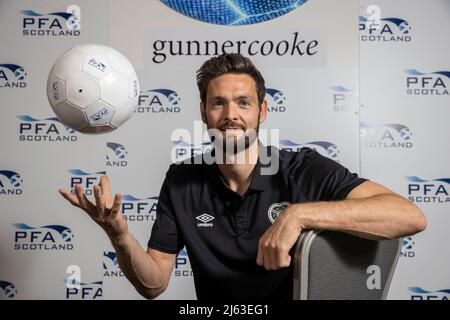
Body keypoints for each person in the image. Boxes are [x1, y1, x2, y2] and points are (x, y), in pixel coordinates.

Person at [59, 53, 427, 300]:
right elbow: (154, 283)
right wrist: (119, 234)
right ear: (203, 111)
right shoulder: (182, 180)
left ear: (262, 111)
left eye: (243, 102)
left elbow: (409, 216)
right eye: (218, 103)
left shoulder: (302, 169)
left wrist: (298, 215)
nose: (230, 114)